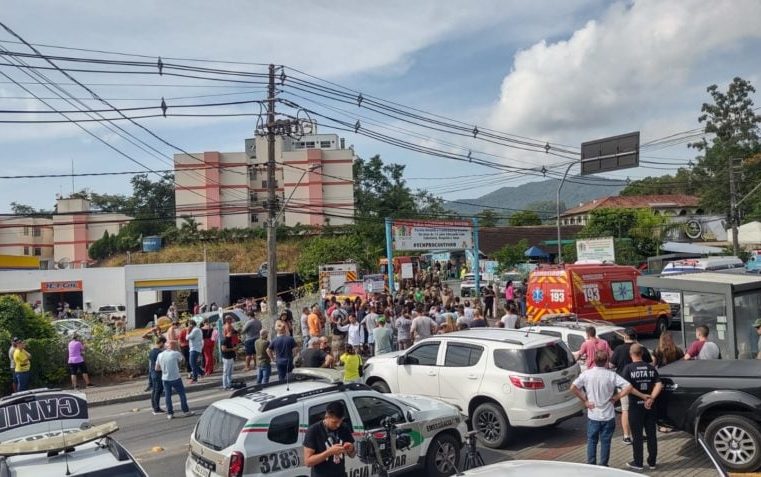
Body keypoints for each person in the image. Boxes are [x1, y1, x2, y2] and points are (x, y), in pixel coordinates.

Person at [570, 350, 647, 467]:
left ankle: (591, 464)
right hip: (608, 414)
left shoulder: (586, 374)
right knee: (605, 442)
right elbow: (628, 386)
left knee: (592, 440)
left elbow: (573, 387)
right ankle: (603, 465)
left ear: (594, 361)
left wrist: (585, 400)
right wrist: (616, 397)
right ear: (606, 361)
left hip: (593, 414)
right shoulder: (611, 375)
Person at [622, 344, 663, 472]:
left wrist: (642, 396)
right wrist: (651, 398)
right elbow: (659, 384)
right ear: (642, 354)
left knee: (637, 436)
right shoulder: (651, 368)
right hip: (650, 406)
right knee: (651, 434)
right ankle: (652, 462)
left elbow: (627, 387)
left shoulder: (628, 369)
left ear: (631, 354)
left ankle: (638, 462)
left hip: (635, 407)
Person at [610, 328, 652, 445]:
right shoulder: (641, 348)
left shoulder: (618, 349)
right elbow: (649, 363)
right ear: (635, 337)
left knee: (625, 410)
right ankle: (639, 434)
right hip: (640, 383)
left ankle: (627, 436)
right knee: (640, 409)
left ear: (625, 337)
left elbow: (611, 364)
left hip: (623, 384)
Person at [303, 401, 356, 477]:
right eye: (334, 422)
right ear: (326, 416)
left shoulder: (344, 428)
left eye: (340, 421)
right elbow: (308, 462)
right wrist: (329, 452)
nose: (338, 425)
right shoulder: (313, 431)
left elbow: (353, 455)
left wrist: (351, 449)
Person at [155, 342, 194, 419]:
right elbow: (183, 361)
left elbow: (156, 368)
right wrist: (179, 351)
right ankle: (186, 411)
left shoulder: (160, 355)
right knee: (182, 394)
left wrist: (164, 369)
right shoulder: (176, 353)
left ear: (166, 347)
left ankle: (170, 413)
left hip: (165, 378)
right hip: (176, 377)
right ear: (174, 347)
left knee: (167, 396)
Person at [148, 337, 166, 415]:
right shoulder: (159, 352)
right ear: (161, 343)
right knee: (158, 390)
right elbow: (161, 364)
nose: (164, 345)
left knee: (155, 390)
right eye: (164, 343)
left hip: (152, 373)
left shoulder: (151, 351)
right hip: (158, 373)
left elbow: (150, 364)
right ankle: (156, 409)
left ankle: (154, 406)